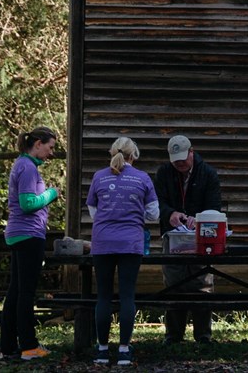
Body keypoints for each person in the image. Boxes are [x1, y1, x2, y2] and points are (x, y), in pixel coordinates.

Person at [86, 137, 160, 366]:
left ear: (112, 153)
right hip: (130, 243)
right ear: (133, 155)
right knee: (127, 296)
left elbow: (93, 212)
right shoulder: (143, 178)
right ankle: (125, 351)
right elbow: (154, 214)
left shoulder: (99, 176)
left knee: (103, 297)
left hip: (103, 242)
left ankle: (101, 350)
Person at [154, 133, 222, 344]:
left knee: (202, 282)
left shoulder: (208, 173)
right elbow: (157, 202)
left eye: (184, 159)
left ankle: (203, 335)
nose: (180, 164)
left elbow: (214, 206)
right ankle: (173, 335)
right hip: (172, 237)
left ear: (192, 152)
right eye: (176, 161)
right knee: (174, 283)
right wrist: (169, 214)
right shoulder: (164, 173)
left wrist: (199, 219)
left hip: (202, 237)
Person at [1, 126, 61, 362]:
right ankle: (28, 346)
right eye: (50, 147)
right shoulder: (26, 167)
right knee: (25, 293)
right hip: (28, 236)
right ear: (37, 143)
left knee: (15, 292)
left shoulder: (24, 165)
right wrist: (51, 193)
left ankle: (8, 347)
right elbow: (27, 203)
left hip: (19, 234)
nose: (51, 152)